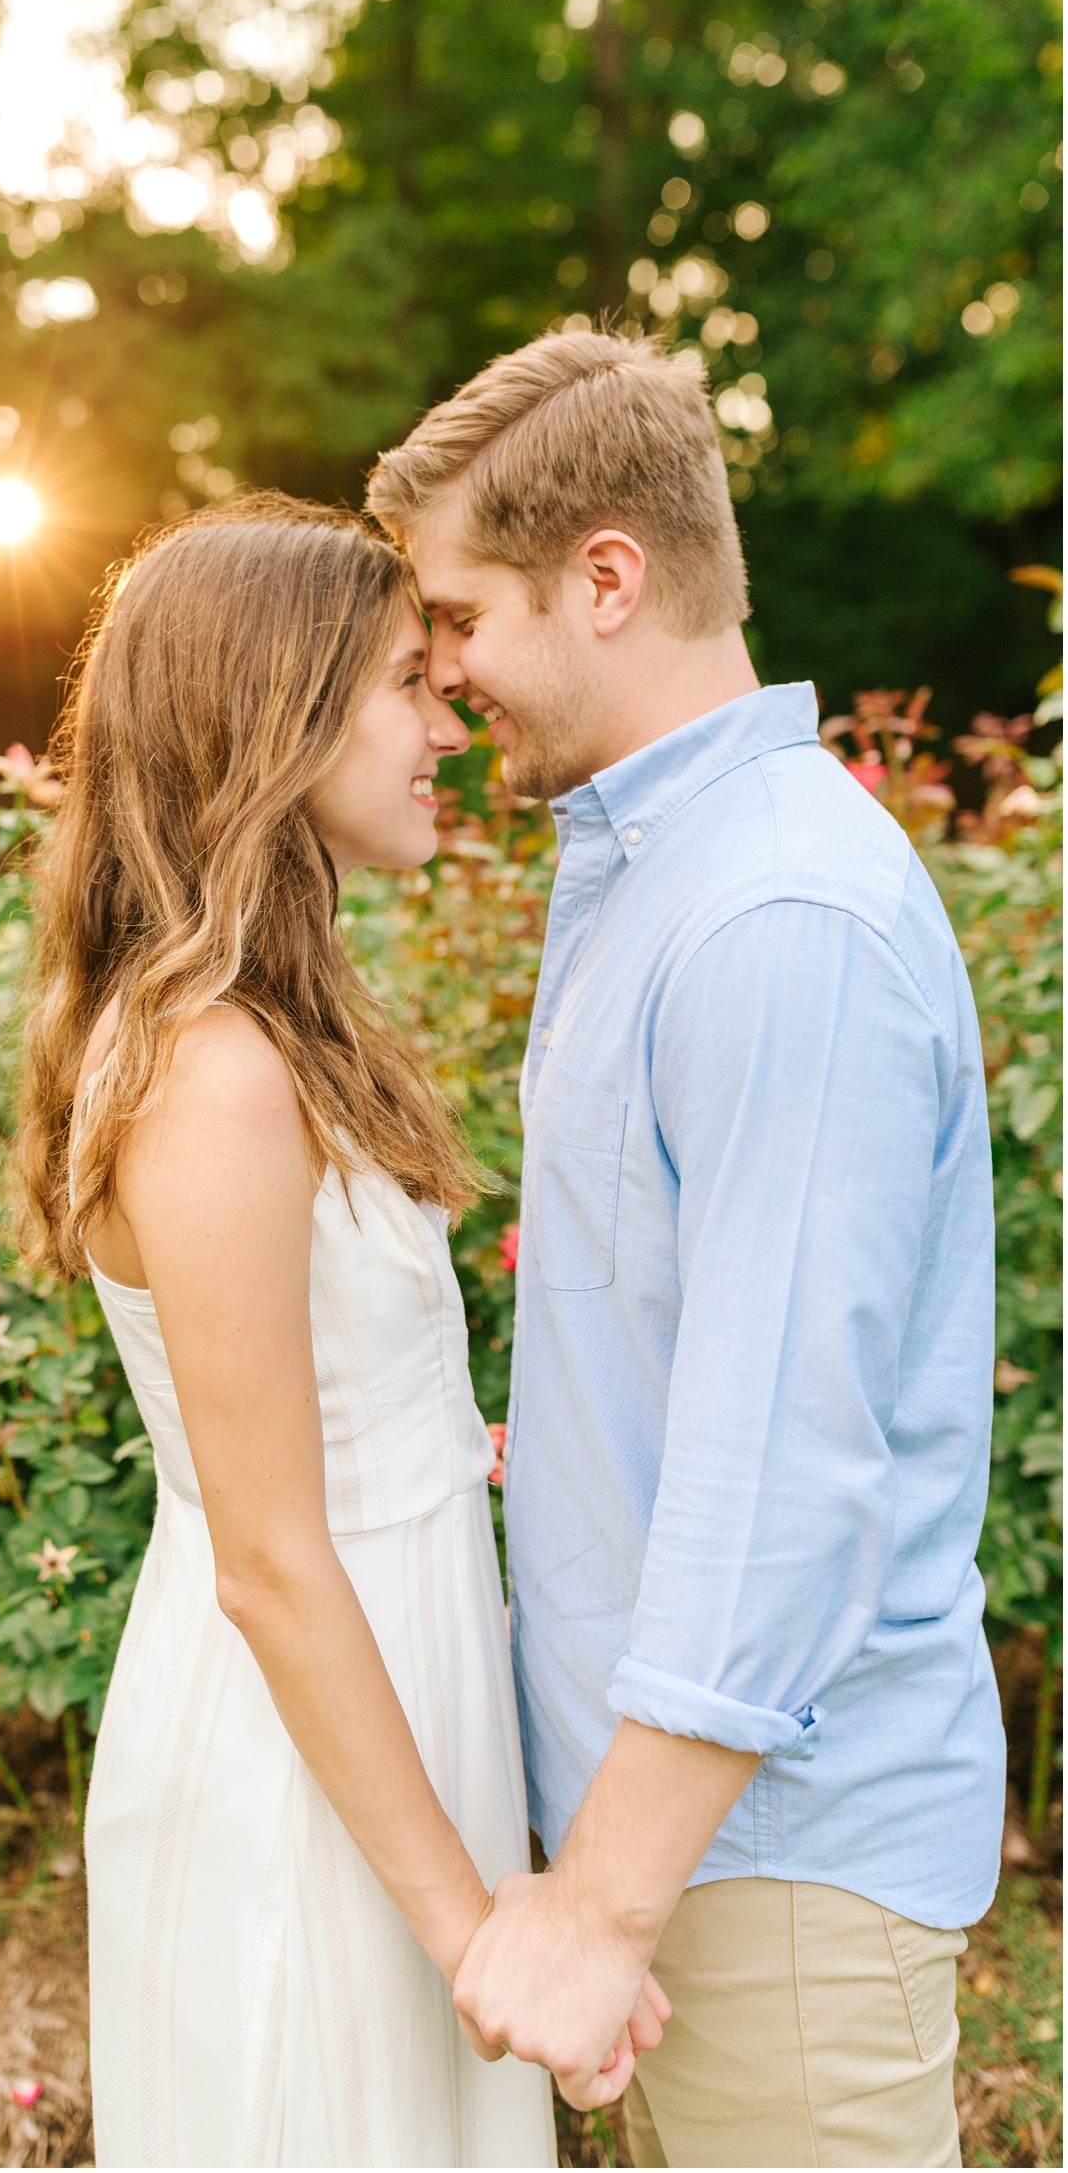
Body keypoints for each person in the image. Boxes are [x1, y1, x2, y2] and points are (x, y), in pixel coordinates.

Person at [367, 326, 1007, 2169]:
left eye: (460, 615)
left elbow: (778, 1468)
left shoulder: (775, 915)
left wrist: (603, 1906)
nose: (440, 668)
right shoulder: (659, 876)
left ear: (608, 577)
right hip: (666, 1865)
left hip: (762, 1882)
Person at [11, 497, 593, 2167]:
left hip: (394, 1681)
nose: (444, 724)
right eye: (409, 681)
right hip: (300, 1757)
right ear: (275, 715)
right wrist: (472, 1927)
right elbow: (268, 1553)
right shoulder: (211, 1071)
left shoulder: (268, 1025)